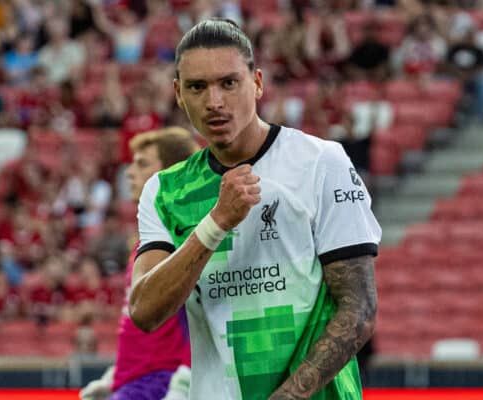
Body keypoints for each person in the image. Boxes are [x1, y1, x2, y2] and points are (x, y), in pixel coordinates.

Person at [129, 18, 381, 400]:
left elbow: (359, 309)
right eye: (197, 87)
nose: (214, 102)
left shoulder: (319, 162)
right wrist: (216, 222)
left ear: (258, 83)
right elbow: (145, 312)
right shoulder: (165, 192)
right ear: (179, 94)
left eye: (229, 83)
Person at [80, 127, 198, 400]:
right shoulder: (148, 238)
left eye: (142, 164)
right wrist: (117, 375)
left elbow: (200, 314)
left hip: (159, 383)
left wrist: (184, 381)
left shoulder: (184, 236)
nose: (130, 172)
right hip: (135, 382)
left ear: (171, 172)